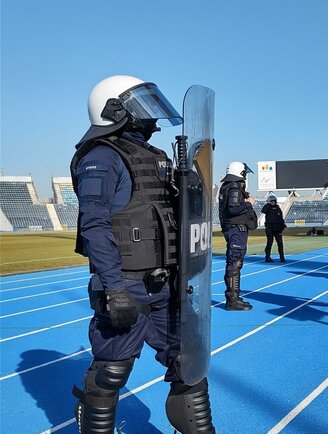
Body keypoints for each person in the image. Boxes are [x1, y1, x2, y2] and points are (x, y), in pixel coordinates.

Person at [70, 75, 215, 433]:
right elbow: (95, 226)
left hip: (168, 284)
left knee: (190, 363)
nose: (150, 113)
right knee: (111, 371)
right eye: (140, 104)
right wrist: (114, 288)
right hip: (126, 284)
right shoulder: (101, 157)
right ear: (114, 110)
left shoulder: (157, 157)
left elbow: (177, 217)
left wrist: (189, 183)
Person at [218, 161, 257, 311]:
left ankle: (234, 297)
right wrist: (248, 203)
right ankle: (232, 300)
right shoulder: (234, 187)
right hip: (236, 230)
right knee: (234, 264)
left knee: (235, 263)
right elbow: (233, 209)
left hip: (234, 230)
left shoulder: (229, 186)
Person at [261, 194, 286, 262]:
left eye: (273, 201)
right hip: (269, 228)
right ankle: (267, 257)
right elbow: (263, 211)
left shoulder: (278, 208)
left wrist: (283, 225)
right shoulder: (267, 207)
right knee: (270, 242)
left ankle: (282, 257)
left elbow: (280, 217)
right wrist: (268, 204)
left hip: (277, 228)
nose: (272, 202)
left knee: (280, 243)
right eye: (271, 201)